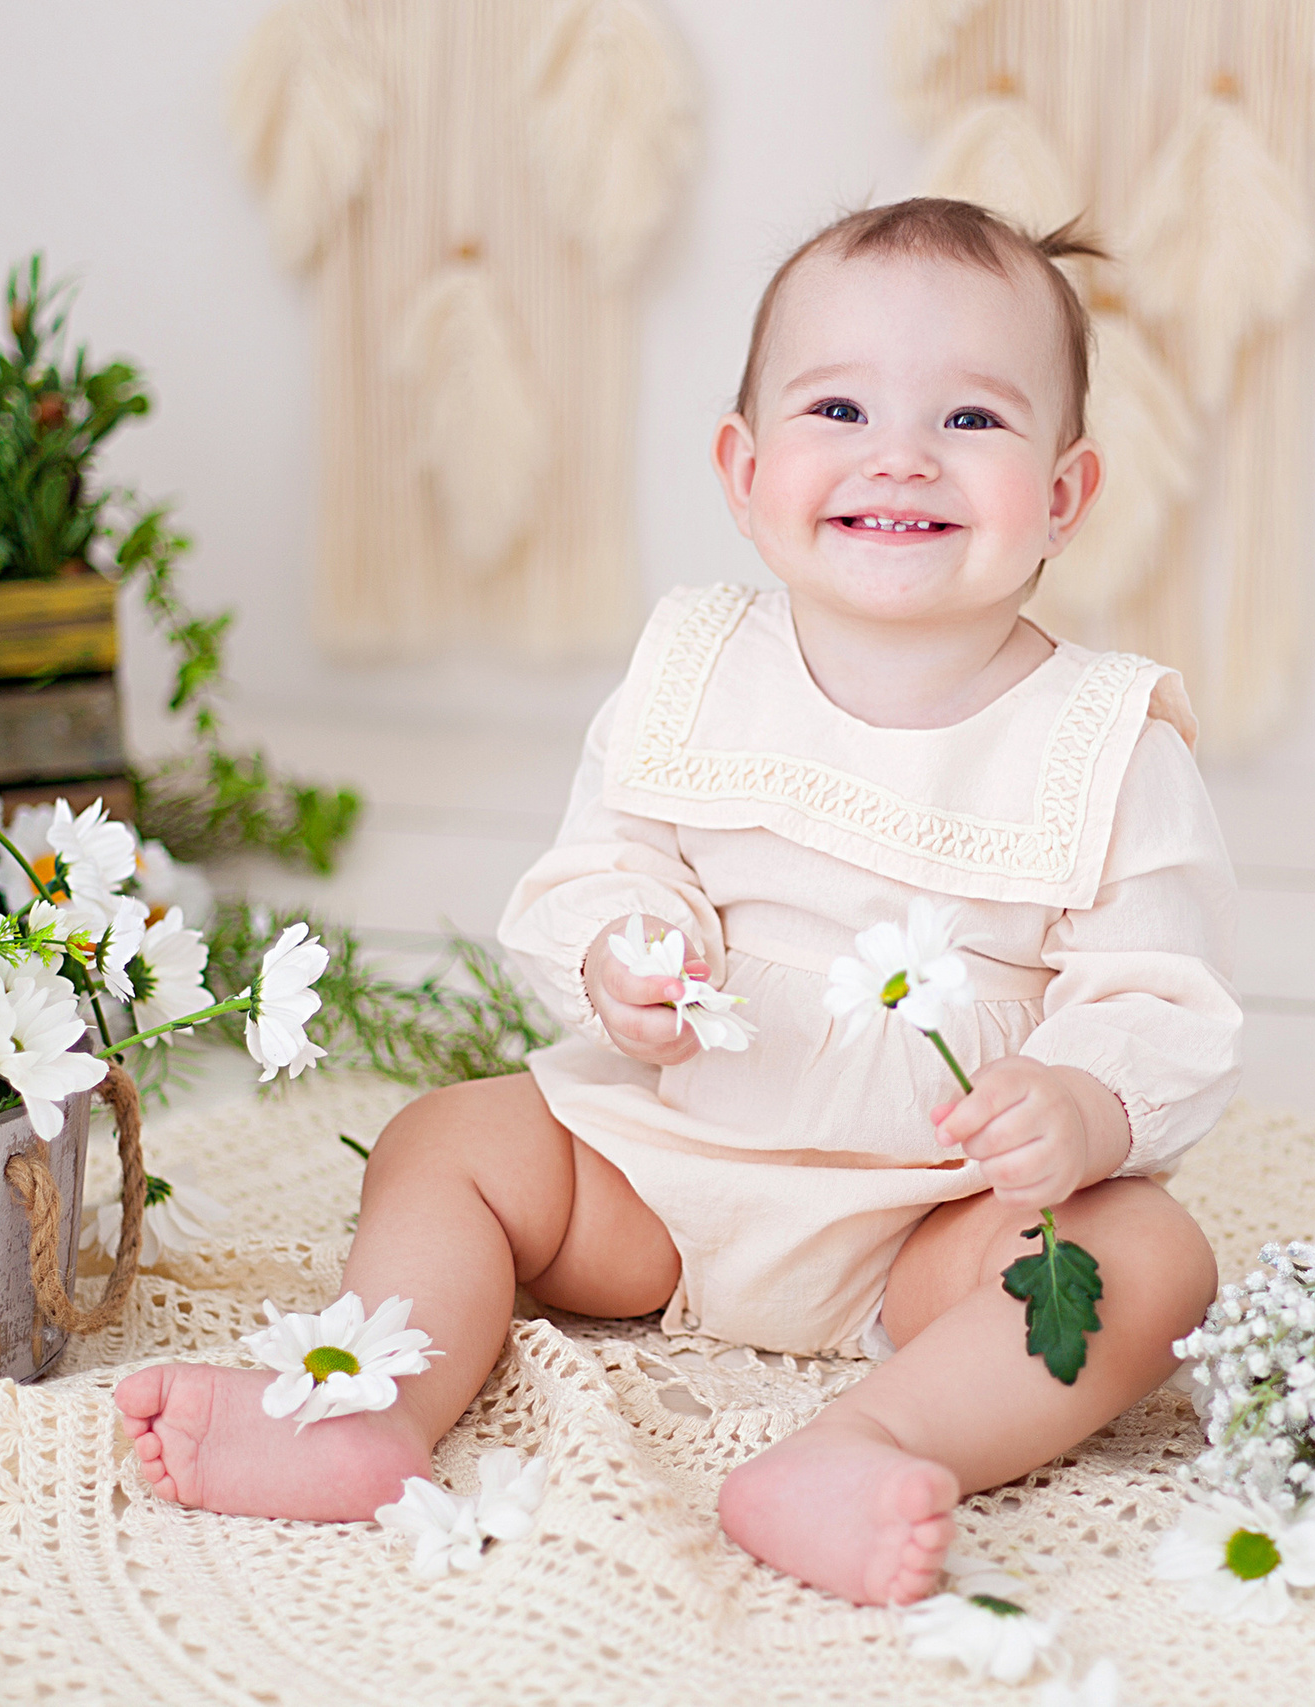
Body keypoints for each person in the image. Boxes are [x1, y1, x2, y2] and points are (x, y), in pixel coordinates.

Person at [116, 197, 1245, 1607]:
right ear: (744, 466)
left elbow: (1165, 996)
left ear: (1065, 496)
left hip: (933, 1224)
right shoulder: (695, 665)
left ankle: (869, 1446)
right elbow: (600, 859)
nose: (899, 453)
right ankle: (370, 1402)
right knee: (449, 1138)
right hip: (655, 1168)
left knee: (1145, 1260)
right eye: (838, 407)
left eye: (972, 421)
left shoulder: (1103, 739)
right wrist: (616, 948)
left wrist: (1083, 1102)